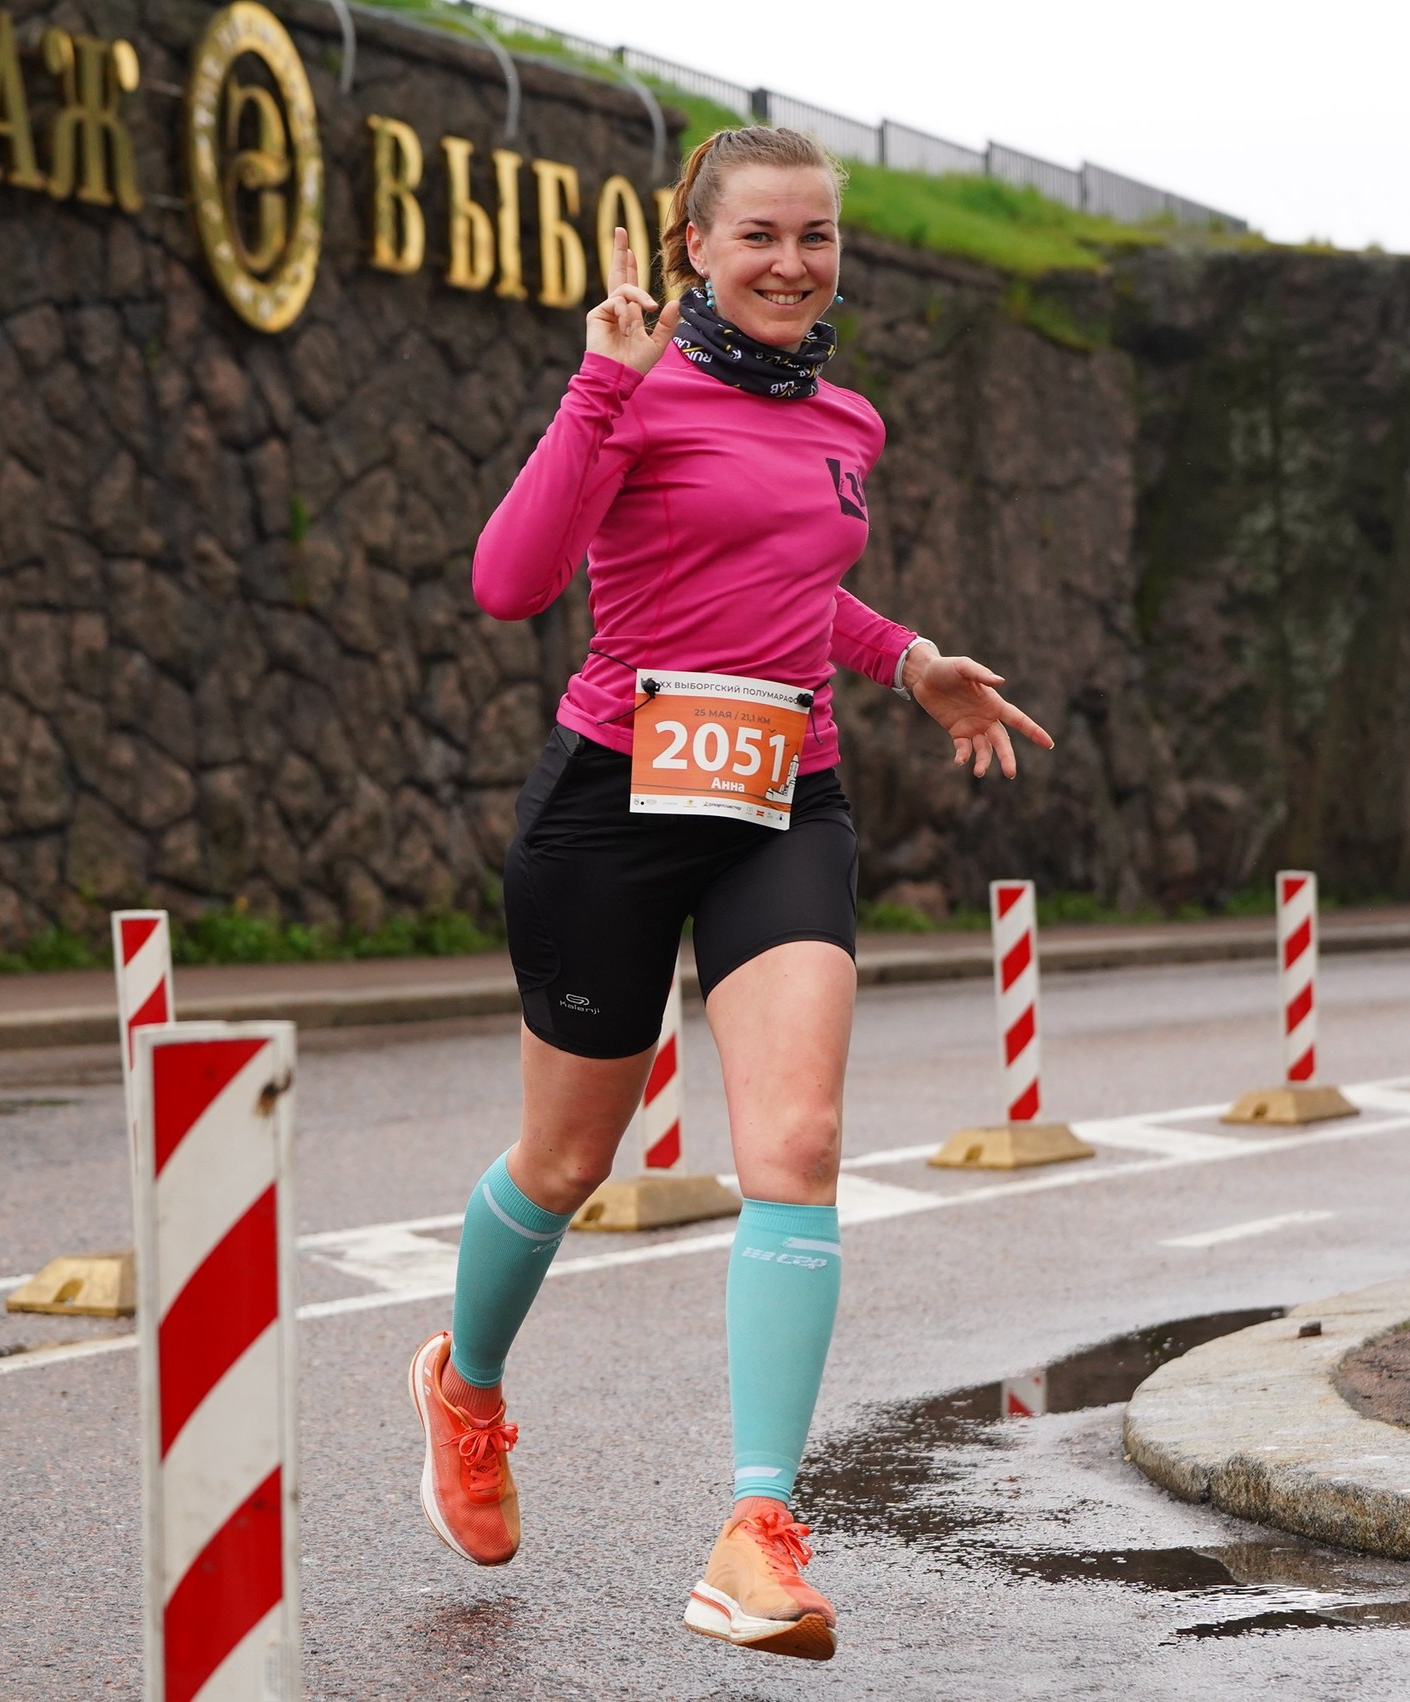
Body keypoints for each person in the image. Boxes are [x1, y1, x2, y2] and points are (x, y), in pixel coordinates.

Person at [406, 125, 1052, 1662]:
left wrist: (903, 658)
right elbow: (512, 580)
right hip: (612, 805)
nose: (790, 264)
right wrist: (598, 390)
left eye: (816, 238)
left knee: (801, 1142)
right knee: (565, 1160)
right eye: (759, 235)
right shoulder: (634, 391)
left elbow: (778, 576)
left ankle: (759, 1530)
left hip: (781, 802)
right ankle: (468, 1387)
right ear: (694, 245)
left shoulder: (848, 417)